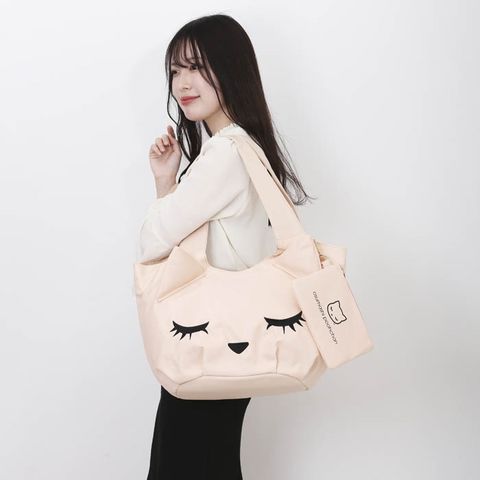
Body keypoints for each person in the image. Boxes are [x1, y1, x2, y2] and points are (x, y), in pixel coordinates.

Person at [136, 13, 315, 480]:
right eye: (176, 70)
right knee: (212, 462)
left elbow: (152, 241)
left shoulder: (226, 153)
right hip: (230, 337)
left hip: (205, 338)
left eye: (197, 66)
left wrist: (164, 187)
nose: (183, 83)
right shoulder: (245, 147)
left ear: (231, 67)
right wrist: (168, 180)